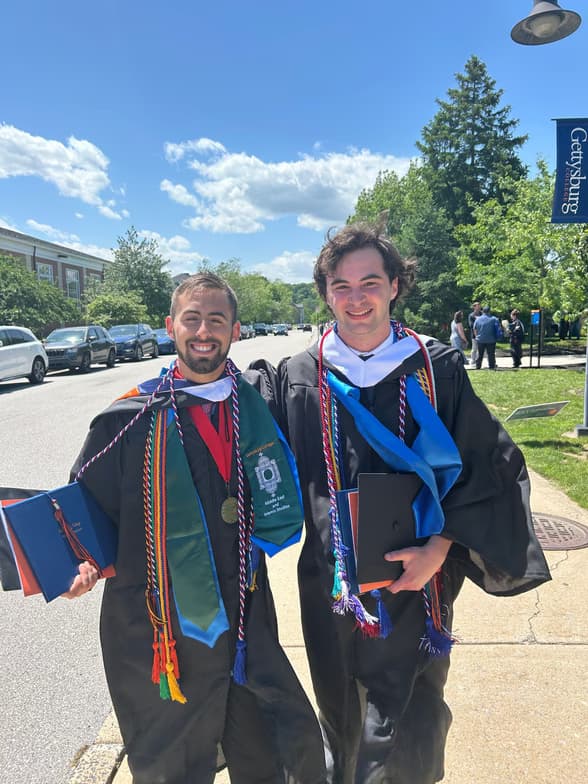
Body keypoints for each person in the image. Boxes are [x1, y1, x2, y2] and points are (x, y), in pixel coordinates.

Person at [249, 223, 550, 784]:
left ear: (394, 286)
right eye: (341, 285)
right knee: (340, 708)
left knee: (411, 714)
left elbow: (492, 468)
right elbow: (242, 458)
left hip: (421, 580)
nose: (356, 297)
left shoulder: (437, 370)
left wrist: (441, 549)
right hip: (331, 585)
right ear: (325, 293)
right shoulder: (298, 376)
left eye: (370, 282)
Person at [59, 273, 326, 783]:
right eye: (192, 319)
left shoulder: (256, 406)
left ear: (236, 330)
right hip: (159, 627)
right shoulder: (129, 418)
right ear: (171, 326)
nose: (204, 331)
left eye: (217, 320)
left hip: (247, 619)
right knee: (170, 764)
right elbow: (82, 509)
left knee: (283, 746)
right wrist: (80, 564)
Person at [473, 305, 501, 370]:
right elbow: (498, 328)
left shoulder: (478, 319)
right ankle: (491, 366)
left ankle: (478, 366)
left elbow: (475, 329)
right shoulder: (494, 319)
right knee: (491, 354)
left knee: (480, 354)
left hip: (480, 339)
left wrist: (477, 336)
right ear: (489, 311)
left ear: (482, 311)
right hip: (491, 339)